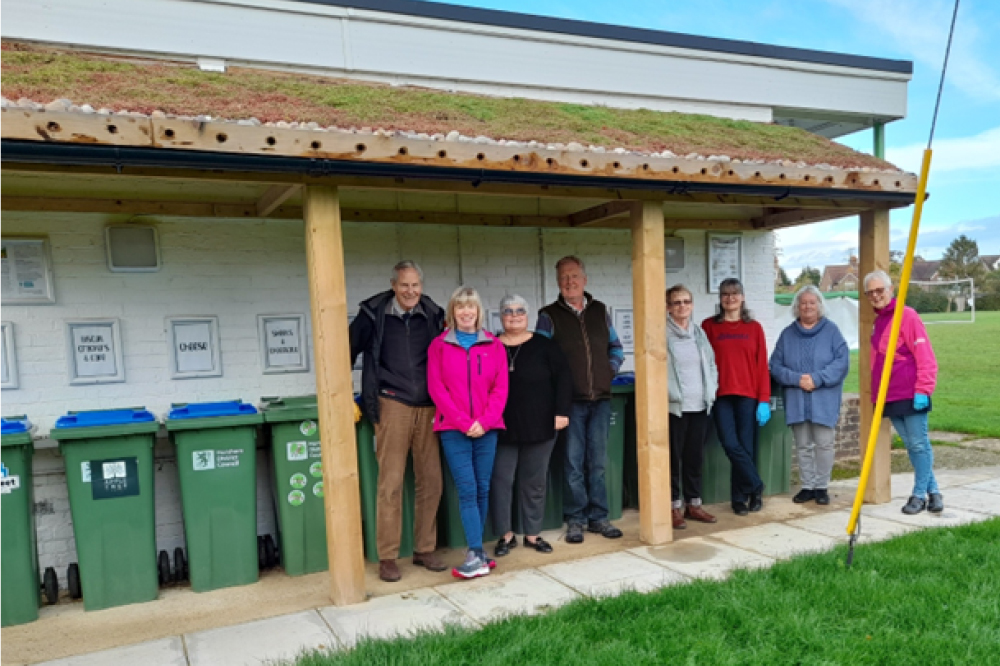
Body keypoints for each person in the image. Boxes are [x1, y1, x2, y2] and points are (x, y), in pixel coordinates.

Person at [349, 260, 446, 583]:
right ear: (394, 285)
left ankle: (424, 549)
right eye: (405, 285)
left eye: (416, 285)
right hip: (392, 403)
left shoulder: (432, 313)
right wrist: (345, 396)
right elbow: (343, 351)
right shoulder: (372, 314)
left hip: (429, 406)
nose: (411, 291)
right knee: (390, 484)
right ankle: (388, 557)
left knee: (431, 481)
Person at [537, 256, 625, 543]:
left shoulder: (600, 311)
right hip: (570, 402)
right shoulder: (548, 315)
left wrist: (606, 372)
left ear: (584, 280)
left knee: (597, 462)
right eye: (563, 277)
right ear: (558, 283)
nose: (569, 282)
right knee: (573, 464)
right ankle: (576, 519)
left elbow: (616, 347)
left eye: (574, 276)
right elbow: (541, 358)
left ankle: (599, 517)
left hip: (600, 399)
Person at [427, 286, 509, 579]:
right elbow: (438, 389)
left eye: (470, 306)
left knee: (483, 487)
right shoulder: (439, 346)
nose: (465, 312)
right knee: (468, 489)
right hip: (453, 428)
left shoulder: (494, 346)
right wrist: (464, 422)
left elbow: (501, 389)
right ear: (453, 311)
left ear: (478, 311)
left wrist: (485, 422)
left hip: (488, 429)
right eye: (460, 307)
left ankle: (478, 552)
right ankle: (476, 552)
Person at [490, 294, 573, 557]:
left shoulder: (545, 346)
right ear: (500, 316)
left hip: (540, 425)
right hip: (501, 426)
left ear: (527, 316)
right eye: (508, 311)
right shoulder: (490, 346)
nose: (514, 315)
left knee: (534, 482)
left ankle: (533, 534)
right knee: (501, 482)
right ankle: (505, 535)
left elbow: (564, 380)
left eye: (519, 311)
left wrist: (562, 412)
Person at [864, 270, 943, 515]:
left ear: (890, 290)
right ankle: (934, 492)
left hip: (911, 393)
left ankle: (919, 495)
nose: (876, 296)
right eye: (871, 293)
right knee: (911, 445)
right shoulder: (878, 322)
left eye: (880, 290)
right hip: (889, 395)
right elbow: (877, 363)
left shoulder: (907, 316)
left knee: (919, 444)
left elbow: (926, 357)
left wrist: (923, 389)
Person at [770, 286, 849, 506]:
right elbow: (774, 365)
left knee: (824, 444)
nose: (807, 306)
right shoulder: (787, 334)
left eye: (812, 302)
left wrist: (817, 378)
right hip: (796, 399)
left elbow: (842, 363)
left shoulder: (831, 331)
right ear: (797, 307)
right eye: (803, 303)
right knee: (802, 445)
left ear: (820, 305)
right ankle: (807, 486)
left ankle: (821, 486)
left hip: (824, 400)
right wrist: (797, 379)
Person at [702, 278, 771, 516]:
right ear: (720, 299)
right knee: (730, 444)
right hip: (721, 395)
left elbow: (761, 365)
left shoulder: (754, 328)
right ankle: (756, 484)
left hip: (748, 396)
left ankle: (741, 498)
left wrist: (764, 400)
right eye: (725, 294)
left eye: (734, 294)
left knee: (746, 447)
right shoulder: (709, 327)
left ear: (742, 297)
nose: (730, 298)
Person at [666, 285, 719, 529]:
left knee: (694, 458)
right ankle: (673, 507)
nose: (682, 306)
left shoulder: (699, 334)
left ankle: (694, 504)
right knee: (673, 460)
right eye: (676, 302)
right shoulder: (663, 335)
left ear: (692, 305)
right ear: (668, 307)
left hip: (700, 406)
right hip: (675, 408)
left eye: (686, 301)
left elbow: (710, 365)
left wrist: (712, 389)